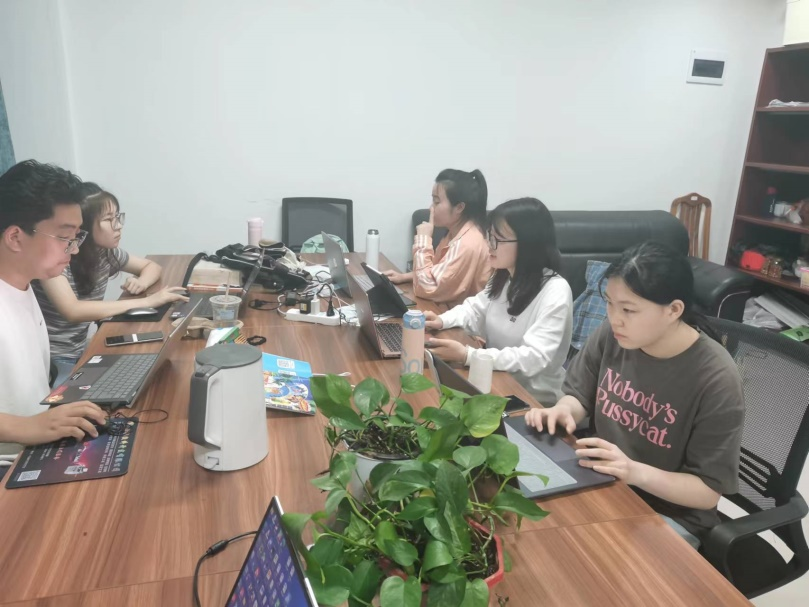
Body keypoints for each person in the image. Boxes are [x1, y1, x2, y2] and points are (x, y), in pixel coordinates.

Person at [525, 241, 744, 549]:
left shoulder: (715, 377)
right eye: (610, 303)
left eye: (628, 309)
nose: (615, 318)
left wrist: (633, 471)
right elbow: (579, 397)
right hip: (602, 481)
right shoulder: (615, 334)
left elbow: (707, 491)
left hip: (668, 513)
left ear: (674, 310)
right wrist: (563, 411)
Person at [0, 160, 107, 465]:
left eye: (76, 237)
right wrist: (27, 427)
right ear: (15, 237)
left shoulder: (24, 286)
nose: (74, 249)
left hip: (37, 446)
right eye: (64, 237)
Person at [423, 197, 572, 404]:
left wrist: (469, 356)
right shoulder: (504, 275)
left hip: (532, 399)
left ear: (528, 243)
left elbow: (534, 357)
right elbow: (474, 309)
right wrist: (442, 320)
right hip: (495, 379)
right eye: (489, 236)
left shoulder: (555, 291)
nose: (489, 245)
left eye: (497, 240)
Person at [33, 185, 187, 384]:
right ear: (83, 225)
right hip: (54, 359)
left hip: (80, 350)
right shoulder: (56, 260)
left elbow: (151, 267)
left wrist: (141, 282)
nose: (118, 226)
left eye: (117, 217)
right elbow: (73, 310)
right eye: (108, 220)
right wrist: (147, 301)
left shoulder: (105, 253)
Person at [383, 169, 491, 307]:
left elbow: (426, 288)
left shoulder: (467, 244)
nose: (431, 208)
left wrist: (423, 239)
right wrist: (404, 277)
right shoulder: (454, 233)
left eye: (436, 201)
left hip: (457, 319)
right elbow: (437, 272)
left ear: (459, 207)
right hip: (443, 311)